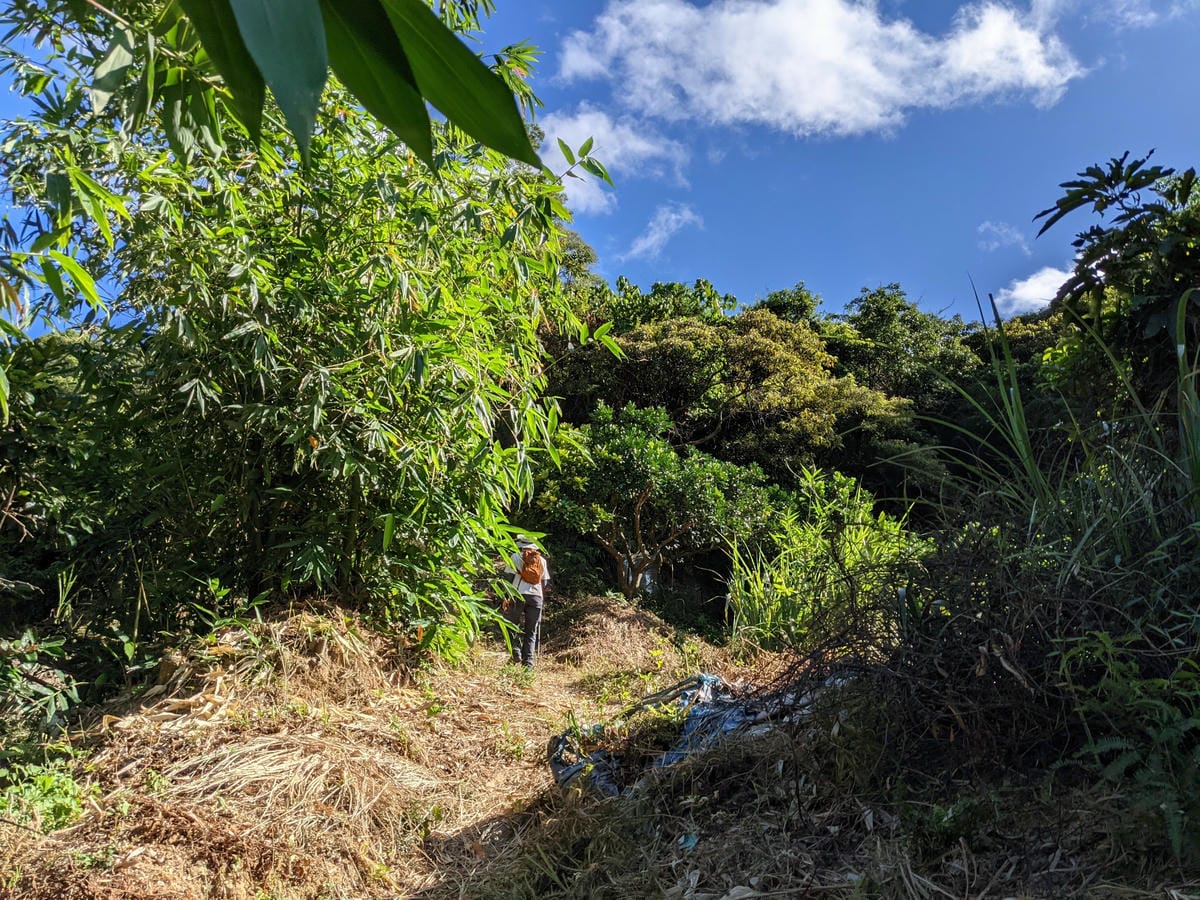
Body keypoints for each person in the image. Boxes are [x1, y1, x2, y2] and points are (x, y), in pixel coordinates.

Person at [504, 536, 550, 669]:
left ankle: (516, 651)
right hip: (536, 597)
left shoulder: (515, 557)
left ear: (520, 545)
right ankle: (528, 665)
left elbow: (508, 577)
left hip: (517, 595)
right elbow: (545, 582)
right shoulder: (541, 560)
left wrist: (506, 596)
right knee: (531, 631)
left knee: (512, 625)